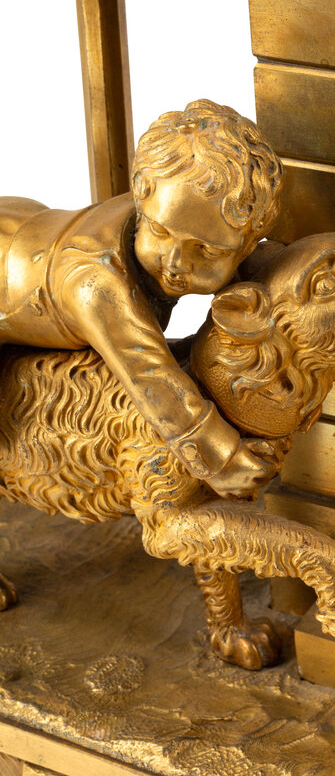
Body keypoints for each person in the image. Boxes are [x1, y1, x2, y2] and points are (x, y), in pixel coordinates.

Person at [0, 100, 284, 499]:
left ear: (246, 245)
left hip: (29, 228)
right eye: (160, 232)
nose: (175, 262)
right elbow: (151, 376)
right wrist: (221, 459)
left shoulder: (177, 207)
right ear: (141, 201)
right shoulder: (96, 284)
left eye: (206, 250)